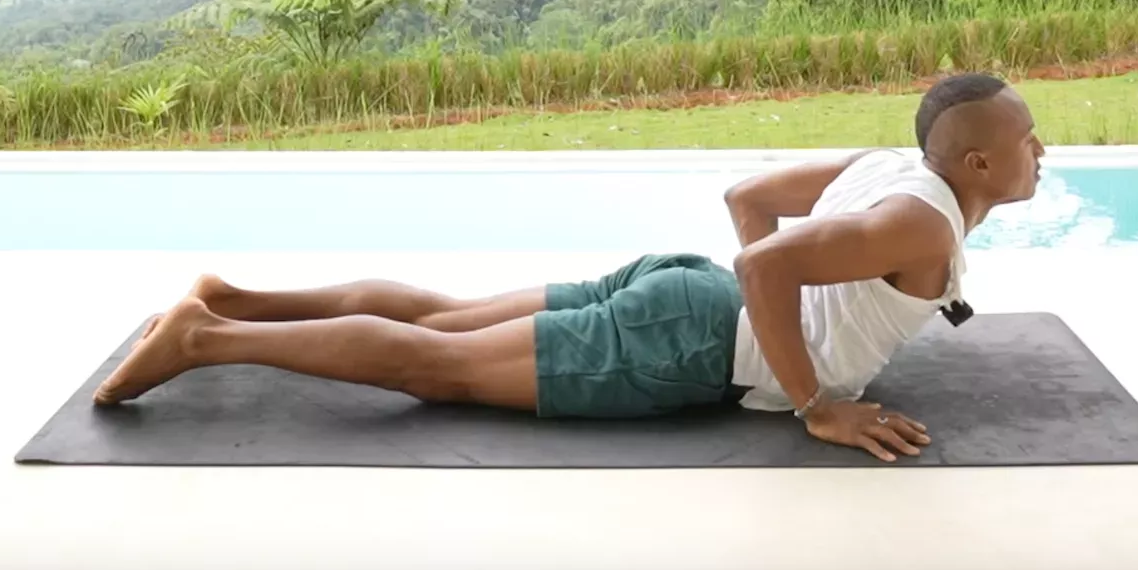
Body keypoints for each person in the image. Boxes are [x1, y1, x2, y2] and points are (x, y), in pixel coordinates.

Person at [93, 71, 1044, 462]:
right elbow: (770, 267)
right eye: (1029, 140)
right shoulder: (923, 223)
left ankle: (233, 301)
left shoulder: (894, 170)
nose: (1043, 153)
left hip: (683, 293)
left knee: (441, 317)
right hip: (689, 336)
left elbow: (747, 200)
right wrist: (815, 403)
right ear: (976, 164)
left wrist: (741, 313)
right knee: (437, 367)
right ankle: (206, 334)